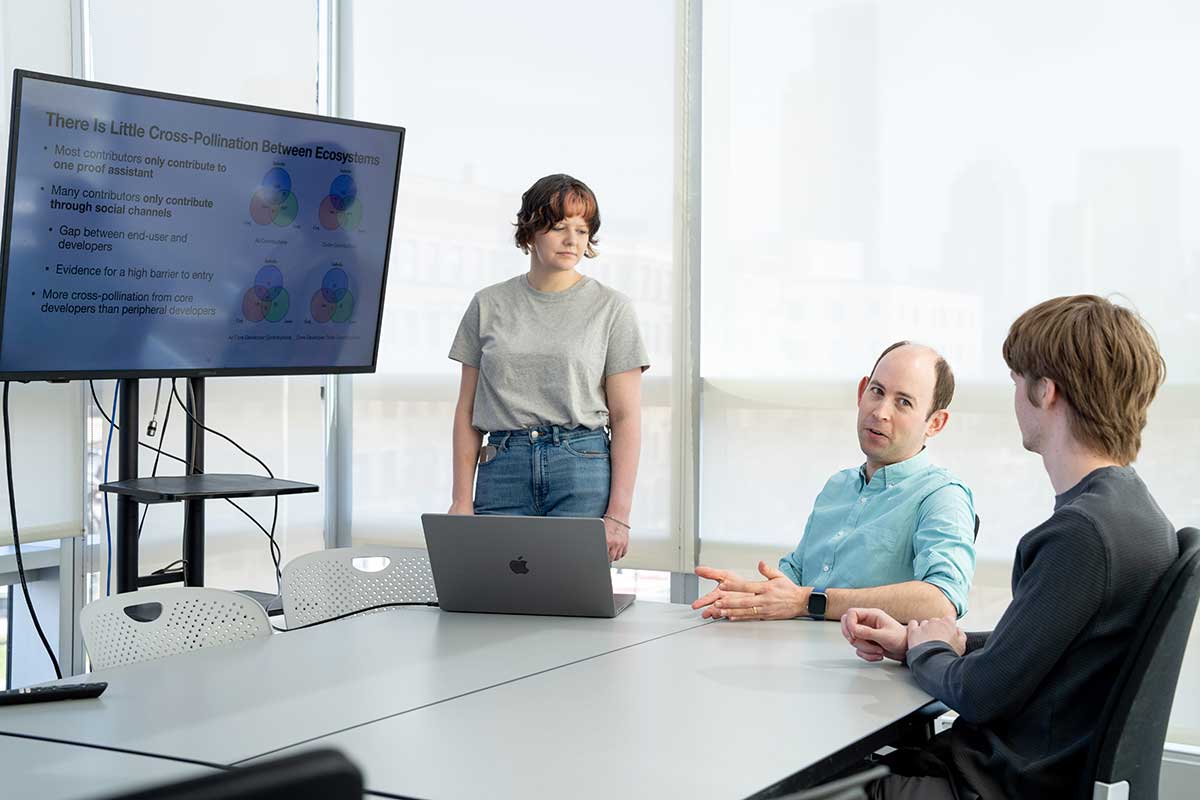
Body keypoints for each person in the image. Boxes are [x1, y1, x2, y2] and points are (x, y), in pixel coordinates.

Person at [844, 295, 1176, 799]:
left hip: (993, 786)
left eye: (1018, 381)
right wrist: (920, 639)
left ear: (1046, 391)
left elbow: (979, 693)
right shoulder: (1136, 513)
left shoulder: (1082, 534)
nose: (1016, 396)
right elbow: (1035, 649)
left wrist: (928, 651)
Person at [693, 342, 976, 623]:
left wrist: (809, 602)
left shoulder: (943, 496)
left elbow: (942, 600)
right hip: (797, 653)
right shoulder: (838, 486)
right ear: (861, 392)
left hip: (870, 664)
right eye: (876, 392)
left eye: (903, 402)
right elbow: (795, 580)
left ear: (935, 423)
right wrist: (748, 595)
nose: (880, 412)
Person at [447, 174, 649, 562]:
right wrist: (461, 499)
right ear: (530, 233)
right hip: (502, 465)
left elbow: (626, 417)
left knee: (574, 603)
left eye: (582, 229)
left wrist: (619, 516)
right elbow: (466, 411)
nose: (573, 240)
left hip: (582, 465)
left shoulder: (612, 308)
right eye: (559, 228)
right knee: (492, 598)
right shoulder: (487, 304)